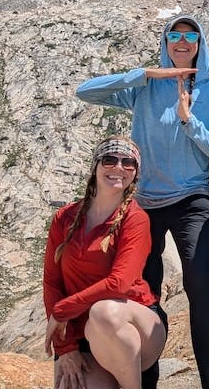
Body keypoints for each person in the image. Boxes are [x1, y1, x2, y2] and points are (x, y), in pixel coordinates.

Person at [77, 16, 209, 389]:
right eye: (174, 35)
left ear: (200, 43)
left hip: (192, 201)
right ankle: (143, 380)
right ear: (165, 42)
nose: (182, 41)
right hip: (144, 206)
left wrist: (190, 122)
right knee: (142, 292)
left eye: (190, 35)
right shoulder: (144, 89)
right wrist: (143, 74)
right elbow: (86, 92)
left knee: (202, 287)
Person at [43, 137, 167, 389]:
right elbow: (51, 282)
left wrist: (63, 310)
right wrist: (65, 348)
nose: (118, 167)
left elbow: (119, 284)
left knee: (104, 312)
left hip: (133, 326)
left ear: (135, 172)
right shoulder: (64, 218)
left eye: (128, 163)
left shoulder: (136, 219)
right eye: (109, 160)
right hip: (82, 333)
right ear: (96, 166)